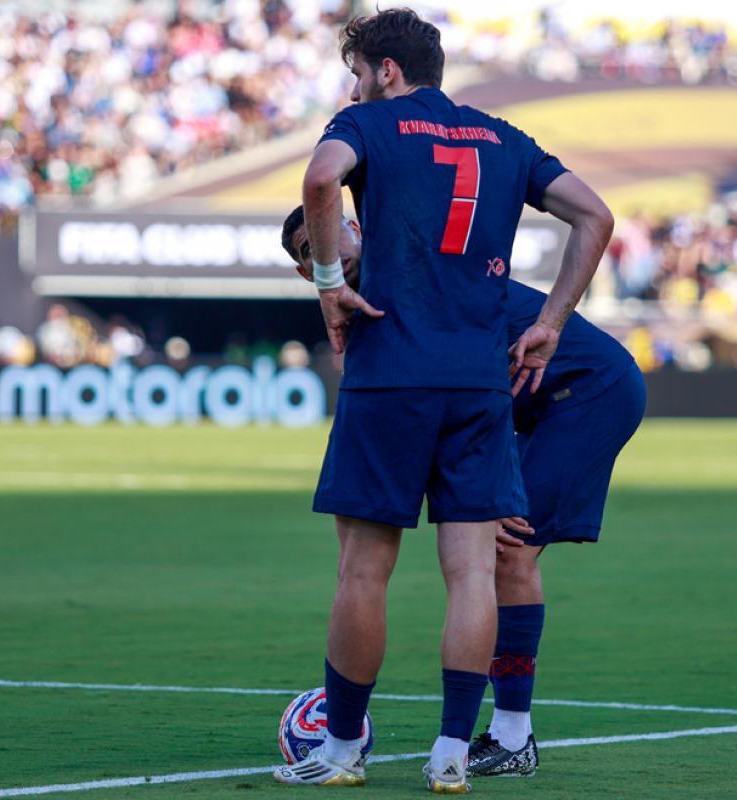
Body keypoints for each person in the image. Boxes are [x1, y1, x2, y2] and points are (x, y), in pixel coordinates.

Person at [275, 9, 614, 793]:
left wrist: (327, 284)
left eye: (357, 73)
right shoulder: (502, 137)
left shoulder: (367, 124)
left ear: (386, 71)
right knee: (470, 575)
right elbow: (595, 215)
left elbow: (321, 180)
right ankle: (452, 753)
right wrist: (551, 321)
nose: (353, 89)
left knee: (363, 573)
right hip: (477, 381)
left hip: (390, 372)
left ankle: (343, 749)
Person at [282, 207, 645, 779]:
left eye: (335, 229)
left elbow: (463, 382)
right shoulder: (367, 300)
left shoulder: (410, 274)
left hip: (588, 391)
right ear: (308, 272)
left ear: (359, 227)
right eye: (310, 248)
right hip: (536, 400)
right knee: (497, 547)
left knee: (508, 548)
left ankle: (512, 736)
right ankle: (503, 735)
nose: (328, 246)